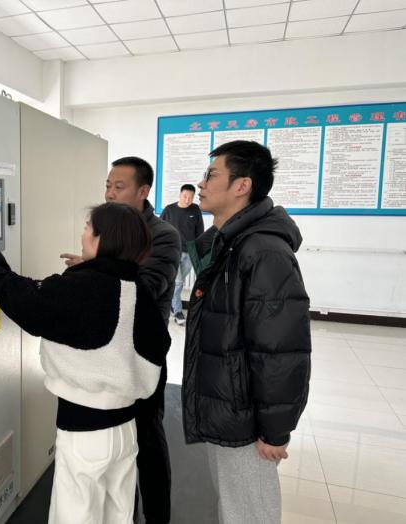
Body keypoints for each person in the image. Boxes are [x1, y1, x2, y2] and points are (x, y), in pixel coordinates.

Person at [0, 202, 171, 524]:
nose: (82, 234)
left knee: (75, 515)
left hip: (85, 434)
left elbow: (21, 297)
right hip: (125, 431)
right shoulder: (137, 290)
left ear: (102, 239)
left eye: (88, 227)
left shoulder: (83, 288)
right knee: (117, 514)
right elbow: (157, 346)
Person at [182, 140, 311, 524]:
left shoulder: (262, 252)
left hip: (245, 419)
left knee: (248, 512)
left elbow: (280, 350)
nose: (201, 184)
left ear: (242, 185)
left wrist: (274, 431)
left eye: (211, 175)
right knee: (234, 505)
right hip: (226, 406)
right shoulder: (229, 245)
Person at [61, 157, 180, 524]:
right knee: (118, 446)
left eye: (119, 187)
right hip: (106, 353)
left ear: (143, 191)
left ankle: (157, 517)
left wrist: (93, 269)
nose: (110, 193)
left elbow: (147, 286)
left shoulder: (163, 235)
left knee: (147, 437)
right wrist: (92, 268)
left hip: (140, 354)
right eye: (108, 186)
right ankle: (124, 513)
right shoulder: (111, 227)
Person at [161, 184, 204, 326]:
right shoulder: (169, 210)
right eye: (185, 196)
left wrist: (198, 252)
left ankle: (170, 304)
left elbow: (200, 232)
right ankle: (178, 312)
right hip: (172, 252)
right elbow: (160, 230)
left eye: (191, 198)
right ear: (180, 194)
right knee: (178, 282)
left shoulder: (195, 209)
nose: (187, 200)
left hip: (189, 253)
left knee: (176, 283)